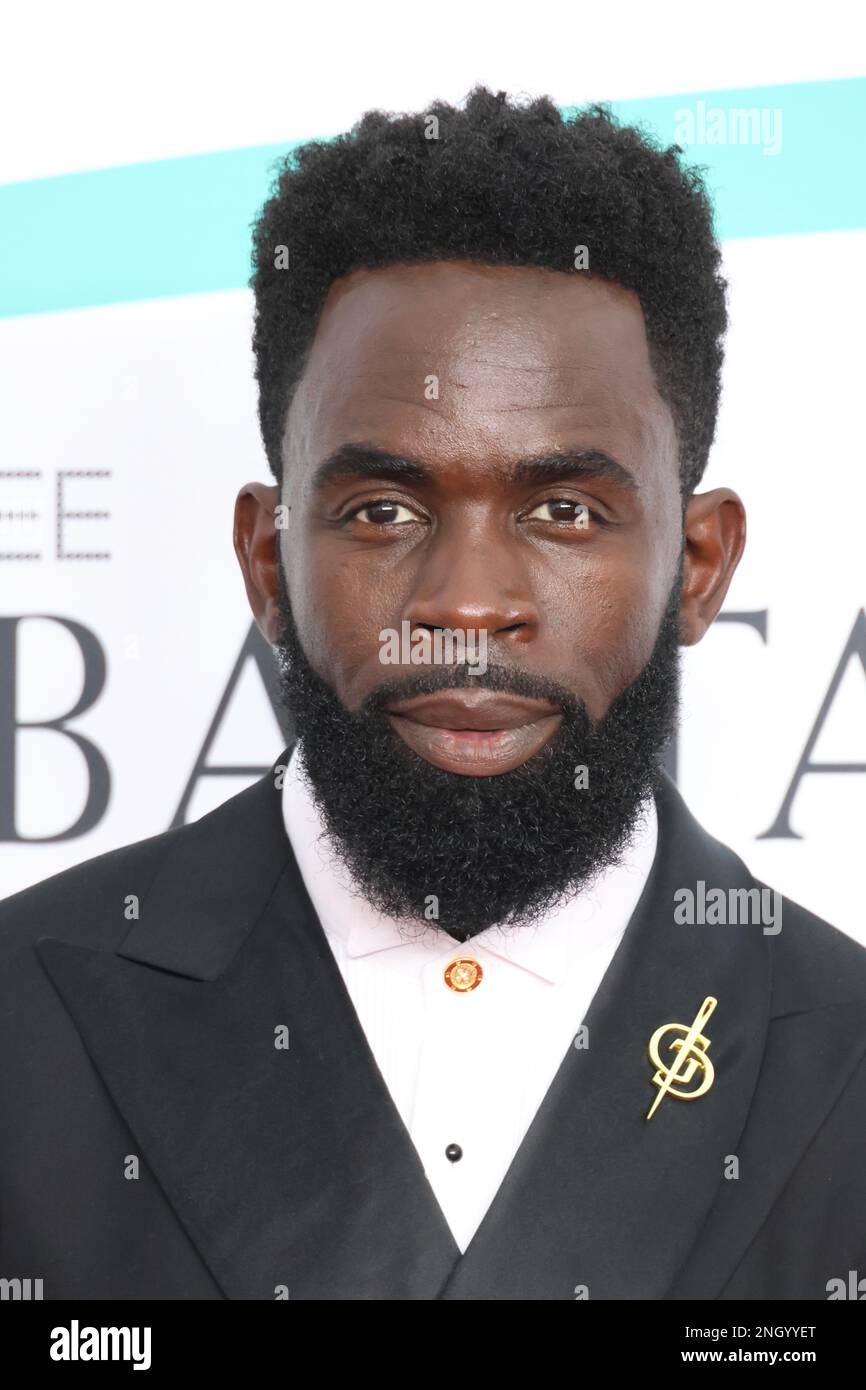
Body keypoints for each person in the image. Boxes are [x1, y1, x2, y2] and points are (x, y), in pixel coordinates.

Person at [2, 87, 865, 1301]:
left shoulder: (842, 1047)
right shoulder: (21, 1019)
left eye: (564, 511)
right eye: (383, 511)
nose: (465, 605)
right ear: (267, 560)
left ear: (698, 566)